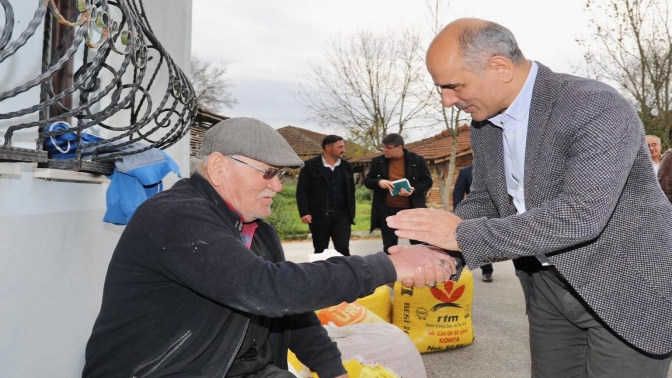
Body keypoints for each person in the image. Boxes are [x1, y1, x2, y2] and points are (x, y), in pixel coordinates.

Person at [386, 18, 672, 377]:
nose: (447, 100)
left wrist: (460, 236)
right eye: (441, 89)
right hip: (546, 286)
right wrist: (440, 251)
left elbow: (580, 215)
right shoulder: (486, 124)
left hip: (623, 285)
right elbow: (487, 198)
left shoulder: (594, 106)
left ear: (499, 67)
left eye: (454, 86)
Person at [82, 117, 456, 378]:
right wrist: (390, 267)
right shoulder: (175, 216)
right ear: (218, 167)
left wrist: (332, 369)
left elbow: (290, 311)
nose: (277, 187)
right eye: (268, 173)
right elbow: (267, 290)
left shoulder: (259, 233)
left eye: (281, 176)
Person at [364, 133, 433, 254]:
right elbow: (368, 181)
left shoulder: (417, 160)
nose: (385, 150)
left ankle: (418, 270)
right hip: (387, 210)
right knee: (389, 246)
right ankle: (391, 271)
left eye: (388, 148)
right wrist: (379, 182)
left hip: (411, 210)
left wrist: (413, 190)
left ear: (399, 147)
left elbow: (428, 181)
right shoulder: (377, 161)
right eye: (383, 147)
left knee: (418, 244)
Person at [296, 135, 355, 256]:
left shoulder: (346, 166)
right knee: (320, 250)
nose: (343, 150)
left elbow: (351, 191)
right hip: (319, 216)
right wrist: (304, 212)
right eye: (340, 147)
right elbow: (301, 191)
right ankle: (320, 274)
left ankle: (345, 275)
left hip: (342, 216)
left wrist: (350, 214)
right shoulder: (309, 166)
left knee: (343, 249)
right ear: (328, 148)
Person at [453, 164, 493, 283]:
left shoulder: (493, 169)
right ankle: (457, 270)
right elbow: (458, 193)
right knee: (469, 240)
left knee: (485, 241)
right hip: (472, 213)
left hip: (492, 212)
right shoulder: (465, 172)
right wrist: (458, 212)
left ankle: (487, 269)